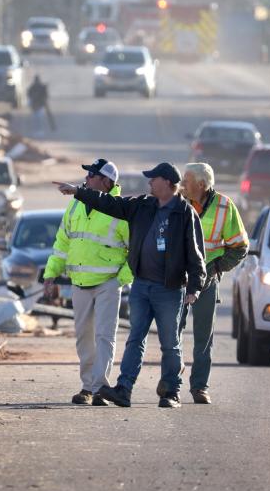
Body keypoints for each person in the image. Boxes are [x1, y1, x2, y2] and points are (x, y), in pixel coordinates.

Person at [54, 162, 206, 408]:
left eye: (153, 179)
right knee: (135, 339)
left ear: (168, 182)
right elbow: (111, 204)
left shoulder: (185, 213)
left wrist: (195, 287)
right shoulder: (142, 206)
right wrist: (78, 191)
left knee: (169, 342)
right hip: (142, 286)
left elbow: (195, 253)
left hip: (169, 288)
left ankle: (171, 393)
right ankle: (123, 390)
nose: (148, 183)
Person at [44, 158, 132, 406]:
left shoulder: (119, 209)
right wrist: (51, 274)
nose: (86, 179)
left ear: (106, 181)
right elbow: (62, 243)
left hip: (108, 283)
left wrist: (120, 280)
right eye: (87, 175)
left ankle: (100, 387)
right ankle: (87, 387)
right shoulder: (75, 206)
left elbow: (135, 250)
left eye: (92, 175)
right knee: (84, 336)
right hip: (80, 281)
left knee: (104, 336)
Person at [178, 163, 248, 404]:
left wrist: (216, 268)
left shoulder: (225, 206)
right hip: (177, 279)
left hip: (207, 281)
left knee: (203, 337)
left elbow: (240, 247)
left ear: (201, 184)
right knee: (172, 333)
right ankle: (171, 383)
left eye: (186, 180)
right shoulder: (176, 202)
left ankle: (199, 387)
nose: (182, 184)